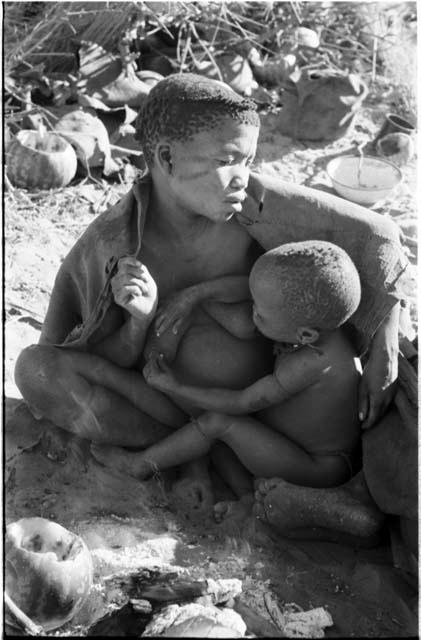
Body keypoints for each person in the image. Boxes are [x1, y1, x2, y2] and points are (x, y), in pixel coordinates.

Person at [15, 73, 407, 522]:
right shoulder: (114, 244)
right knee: (36, 369)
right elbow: (77, 354)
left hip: (276, 410)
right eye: (228, 160)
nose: (243, 177)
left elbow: (378, 235)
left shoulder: (256, 206)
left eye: (250, 160)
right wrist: (139, 323)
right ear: (166, 158)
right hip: (174, 410)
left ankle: (205, 459)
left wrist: (385, 342)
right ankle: (192, 455)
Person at [91, 241, 363, 509]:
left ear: (305, 335)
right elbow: (248, 287)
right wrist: (197, 295)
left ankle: (140, 464)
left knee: (216, 423)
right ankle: (245, 493)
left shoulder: (309, 364)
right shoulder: (313, 328)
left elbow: (243, 402)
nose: (251, 309)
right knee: (211, 438)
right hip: (284, 439)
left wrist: (175, 387)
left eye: (260, 313)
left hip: (314, 466)